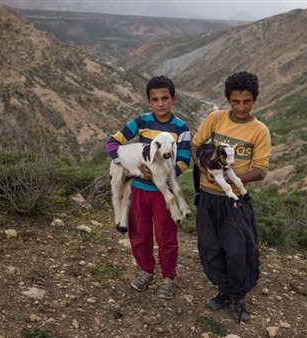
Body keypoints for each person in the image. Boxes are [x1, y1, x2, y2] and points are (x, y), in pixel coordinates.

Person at [191, 71, 271, 322]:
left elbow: (260, 170)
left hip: (234, 201)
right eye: (236, 101)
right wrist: (206, 170)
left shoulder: (260, 131)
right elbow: (195, 146)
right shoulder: (215, 119)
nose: (241, 107)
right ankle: (224, 291)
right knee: (211, 247)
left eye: (246, 101)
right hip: (208, 196)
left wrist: (229, 177)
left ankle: (238, 296)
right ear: (228, 100)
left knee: (238, 250)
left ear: (254, 100)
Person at [106, 75, 191, 300]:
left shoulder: (181, 128)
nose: (160, 103)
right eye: (155, 99)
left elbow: (183, 161)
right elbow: (112, 143)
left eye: (165, 98)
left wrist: (159, 172)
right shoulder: (141, 122)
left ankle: (169, 277)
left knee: (167, 236)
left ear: (174, 99)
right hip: (139, 192)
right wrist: (127, 163)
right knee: (139, 234)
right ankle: (146, 270)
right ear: (148, 101)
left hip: (164, 194)